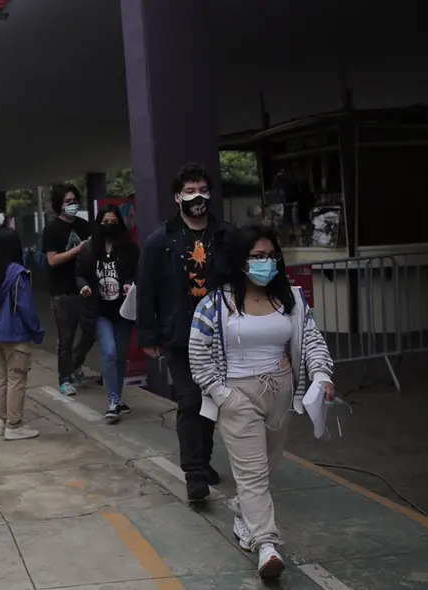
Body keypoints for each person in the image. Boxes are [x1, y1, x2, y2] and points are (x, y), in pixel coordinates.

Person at [188, 225, 334, 580]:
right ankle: (267, 545)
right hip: (237, 396)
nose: (266, 263)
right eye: (257, 256)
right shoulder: (216, 303)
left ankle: (244, 516)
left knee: (264, 469)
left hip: (281, 392)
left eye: (271, 255)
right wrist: (224, 396)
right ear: (240, 260)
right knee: (253, 474)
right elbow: (198, 354)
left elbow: (311, 340)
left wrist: (322, 375)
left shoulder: (292, 299)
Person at [137, 162, 236, 502]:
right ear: (177, 198)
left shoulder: (227, 236)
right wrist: (148, 336)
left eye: (203, 190)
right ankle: (194, 474)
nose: (198, 196)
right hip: (180, 334)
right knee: (190, 399)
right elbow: (146, 289)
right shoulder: (160, 240)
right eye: (190, 191)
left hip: (221, 333)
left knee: (212, 401)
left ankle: (202, 461)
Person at [76, 205, 138, 424]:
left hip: (122, 311)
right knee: (109, 352)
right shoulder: (88, 249)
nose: (109, 225)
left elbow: (135, 272)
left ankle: (118, 397)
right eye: (105, 221)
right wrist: (84, 286)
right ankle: (112, 402)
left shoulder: (128, 249)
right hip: (99, 311)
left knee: (120, 356)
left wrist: (130, 284)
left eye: (113, 221)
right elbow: (80, 274)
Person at [0, 228, 44, 441]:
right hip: (16, 335)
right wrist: (37, 332)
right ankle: (14, 425)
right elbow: (26, 308)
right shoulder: (19, 274)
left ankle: (3, 420)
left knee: (3, 378)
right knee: (17, 379)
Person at [41, 183, 95, 395]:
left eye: (74, 201)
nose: (72, 205)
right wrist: (78, 249)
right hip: (62, 292)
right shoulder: (52, 229)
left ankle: (74, 366)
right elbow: (53, 260)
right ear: (59, 205)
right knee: (66, 338)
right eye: (68, 202)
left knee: (91, 332)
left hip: (86, 289)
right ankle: (64, 379)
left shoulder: (84, 225)